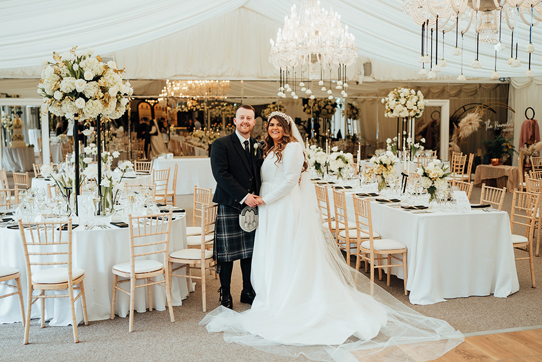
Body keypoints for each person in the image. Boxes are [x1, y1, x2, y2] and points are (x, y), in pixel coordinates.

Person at [201, 111, 463, 362]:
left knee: (286, 249)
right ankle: (270, 291)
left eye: (278, 125)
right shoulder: (268, 149)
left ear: (287, 128)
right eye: (271, 125)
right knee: (273, 249)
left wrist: (265, 199)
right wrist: (260, 199)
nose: (274, 128)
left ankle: (287, 296)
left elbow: (291, 179)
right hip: (269, 208)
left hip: (280, 205)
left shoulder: (292, 148)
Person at [210, 105, 263, 309]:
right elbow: (220, 174)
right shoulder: (221, 144)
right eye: (241, 117)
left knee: (249, 252)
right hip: (231, 203)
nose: (245, 121)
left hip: (252, 207)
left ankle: (247, 290)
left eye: (249, 118)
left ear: (254, 121)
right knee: (226, 254)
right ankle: (225, 293)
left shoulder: (258, 145)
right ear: (234, 120)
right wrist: (244, 196)